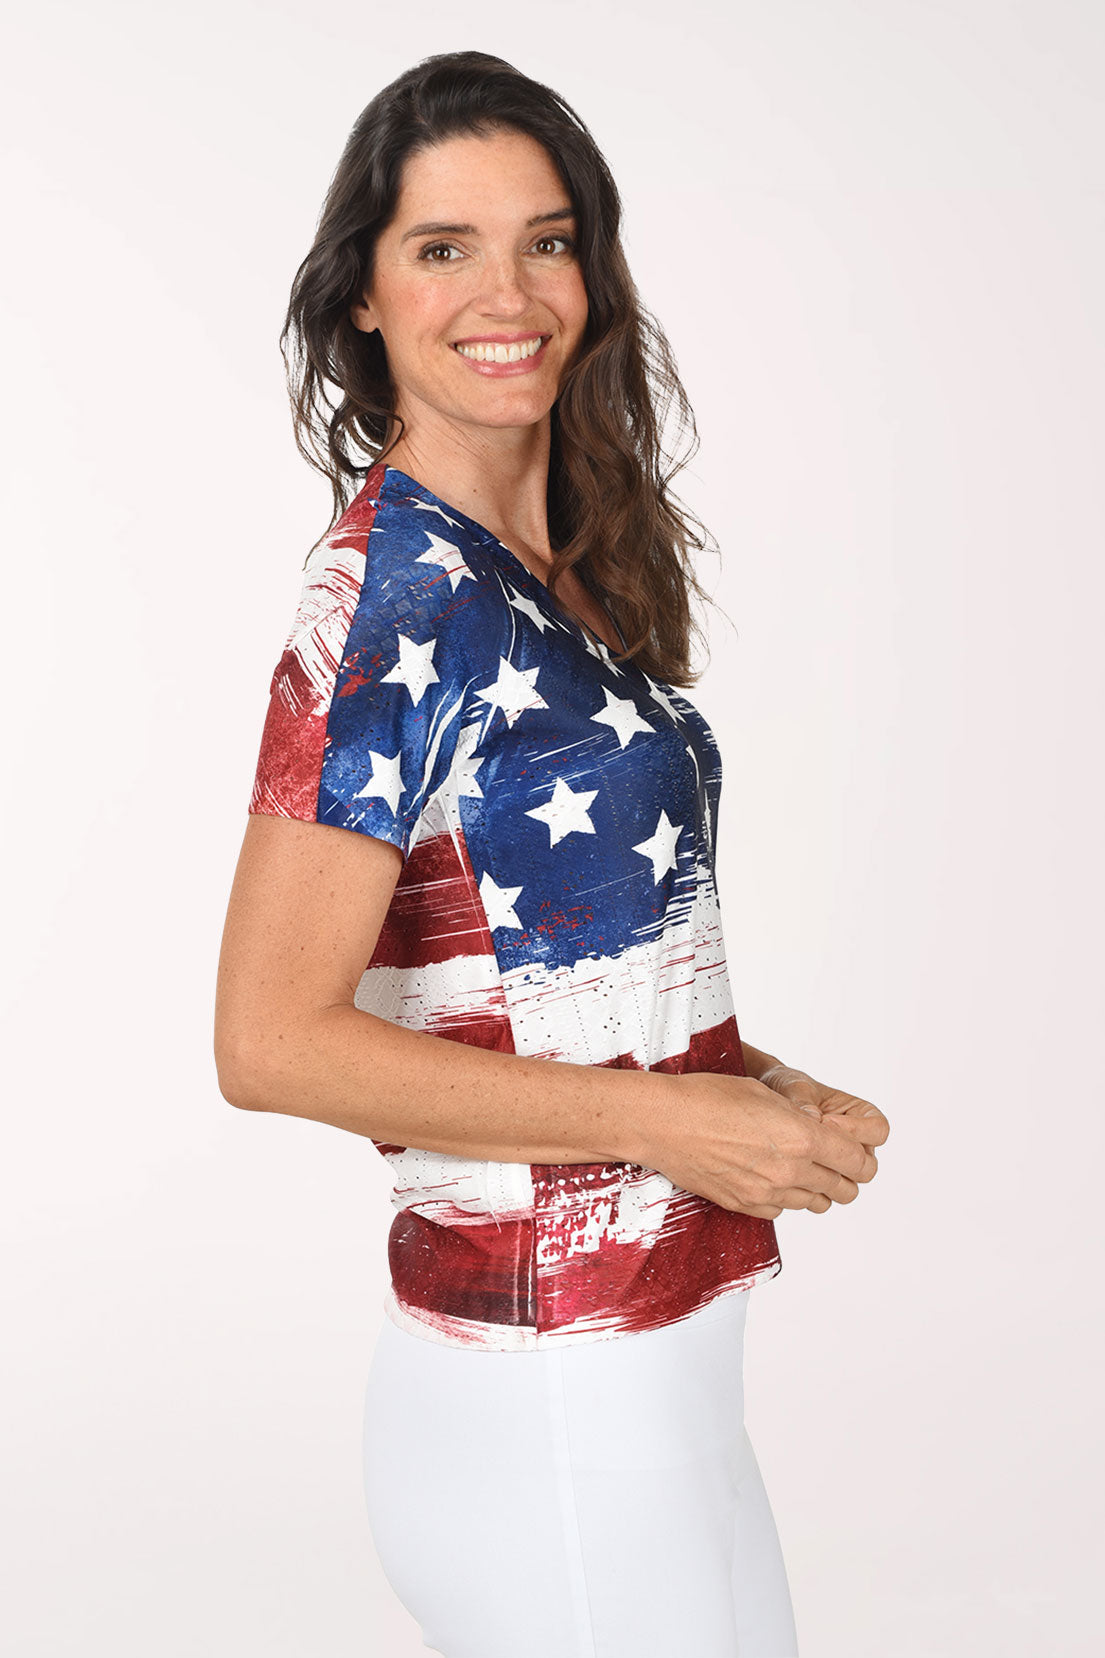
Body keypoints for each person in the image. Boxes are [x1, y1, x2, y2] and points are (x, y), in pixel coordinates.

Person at [214, 49, 889, 1658]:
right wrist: (678, 1123)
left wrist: (753, 1084)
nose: (503, 289)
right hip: (550, 1404)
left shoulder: (540, 569)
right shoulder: (388, 601)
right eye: (440, 247)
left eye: (546, 237)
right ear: (363, 297)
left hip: (658, 1381)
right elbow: (266, 1040)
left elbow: (522, 976)